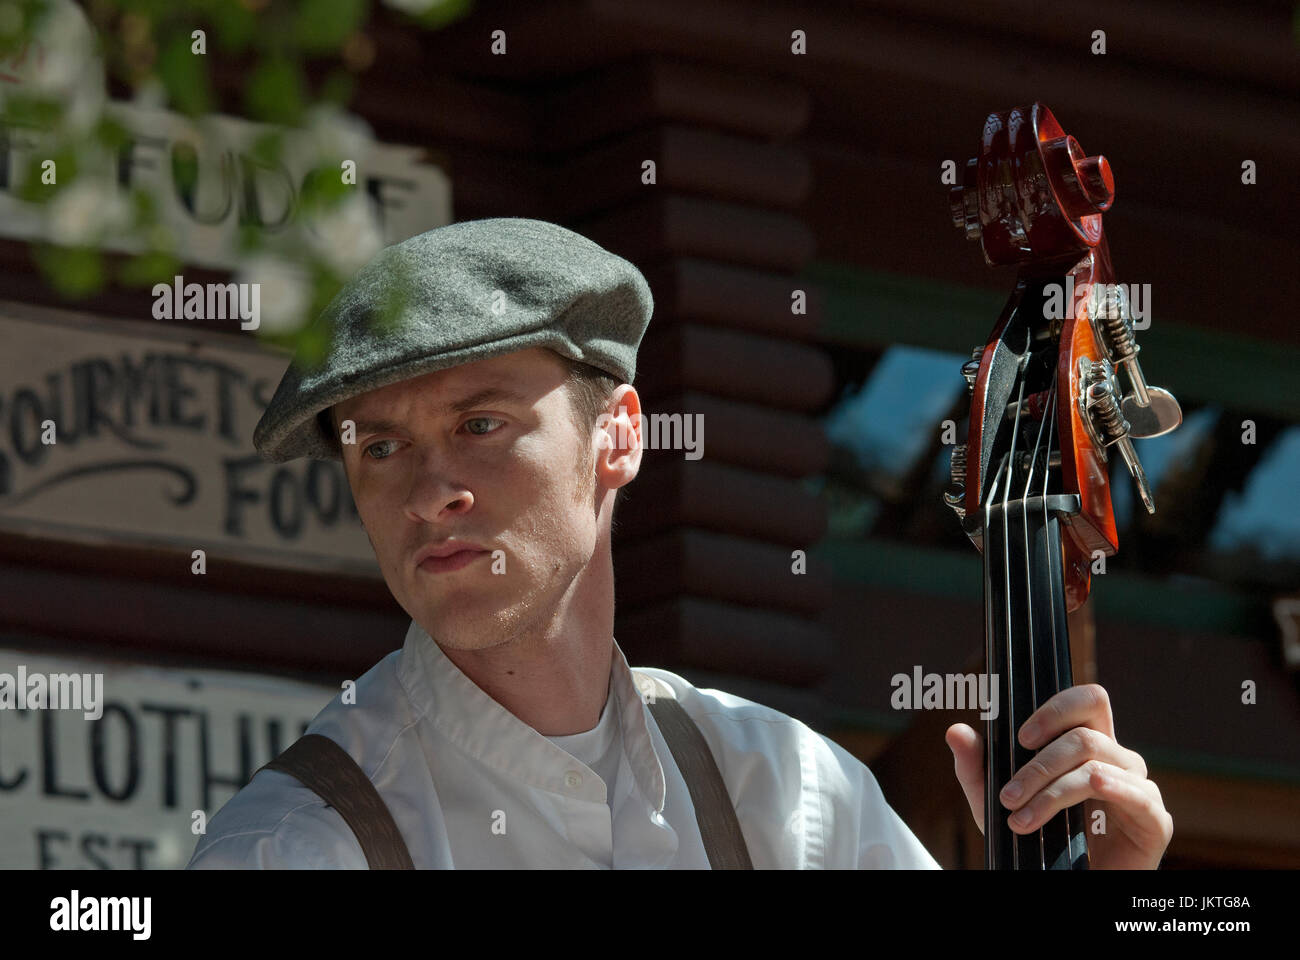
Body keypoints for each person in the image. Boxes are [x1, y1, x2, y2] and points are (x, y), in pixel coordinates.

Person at [186, 217, 1172, 869]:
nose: (429, 493)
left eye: (479, 424)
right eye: (381, 447)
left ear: (616, 434)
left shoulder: (788, 796)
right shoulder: (298, 847)